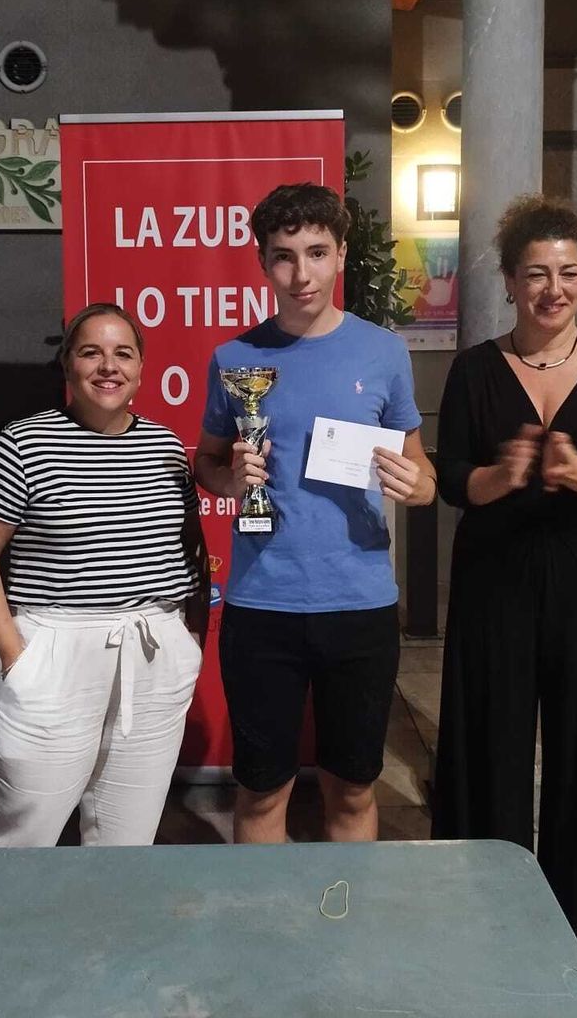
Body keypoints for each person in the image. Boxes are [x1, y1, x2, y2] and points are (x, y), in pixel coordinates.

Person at [429, 195, 577, 998]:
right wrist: (498, 477)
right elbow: (451, 475)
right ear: (511, 282)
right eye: (536, 274)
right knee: (486, 749)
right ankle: (480, 927)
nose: (552, 289)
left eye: (567, 273)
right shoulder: (475, 368)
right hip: (497, 580)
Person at [194, 183, 436, 843]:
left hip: (358, 604)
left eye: (316, 253)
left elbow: (423, 472)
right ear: (262, 262)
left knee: (353, 792)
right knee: (261, 794)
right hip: (262, 605)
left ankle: (347, 938)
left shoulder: (383, 353)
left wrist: (416, 486)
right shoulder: (234, 359)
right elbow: (207, 462)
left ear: (340, 254)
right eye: (283, 257)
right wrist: (230, 478)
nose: (301, 274)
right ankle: (269, 941)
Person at [0, 303, 208, 847]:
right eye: (91, 352)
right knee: (24, 836)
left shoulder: (165, 446)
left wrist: (189, 642)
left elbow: (190, 549)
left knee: (128, 837)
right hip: (52, 651)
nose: (107, 366)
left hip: (154, 652)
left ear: (142, 369)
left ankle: (109, 931)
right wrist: (15, 656)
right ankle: (12, 933)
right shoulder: (21, 445)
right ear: (67, 365)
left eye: (123, 353)